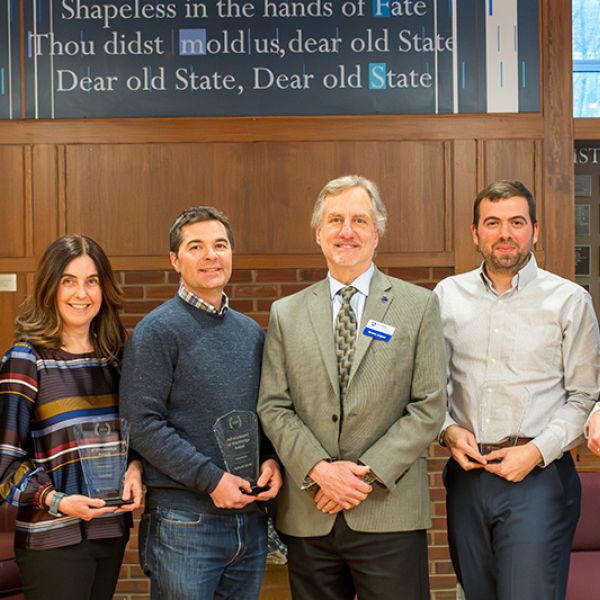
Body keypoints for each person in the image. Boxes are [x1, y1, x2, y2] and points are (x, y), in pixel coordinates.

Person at [257, 175, 447, 600]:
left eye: (359, 220)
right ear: (319, 234)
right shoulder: (287, 313)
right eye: (336, 220)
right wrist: (320, 471)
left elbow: (429, 406)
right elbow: (273, 406)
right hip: (311, 513)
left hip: (388, 511)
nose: (347, 231)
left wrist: (364, 476)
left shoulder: (419, 305)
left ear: (377, 233)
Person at [435, 180, 600, 600]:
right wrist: (447, 430)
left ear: (535, 230)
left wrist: (535, 451)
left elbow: (584, 396)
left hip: (539, 477)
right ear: (475, 233)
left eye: (516, 222)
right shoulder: (446, 297)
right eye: (492, 223)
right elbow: (430, 388)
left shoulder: (569, 301)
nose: (505, 233)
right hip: (468, 478)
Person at [119, 206, 282, 600]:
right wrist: (211, 480)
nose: (211, 255)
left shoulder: (250, 333)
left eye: (220, 245)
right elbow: (142, 423)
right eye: (196, 247)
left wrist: (272, 458)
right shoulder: (156, 331)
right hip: (185, 522)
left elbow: (268, 412)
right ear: (175, 260)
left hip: (248, 519)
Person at [0, 234, 143, 600]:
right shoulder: (26, 360)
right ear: (50, 288)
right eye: (69, 281)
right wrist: (57, 500)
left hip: (110, 532)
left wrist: (135, 471)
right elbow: (4, 463)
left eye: (91, 281)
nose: (82, 293)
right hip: (52, 540)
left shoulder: (116, 359)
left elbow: (136, 437)